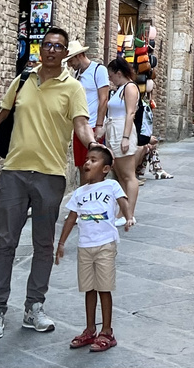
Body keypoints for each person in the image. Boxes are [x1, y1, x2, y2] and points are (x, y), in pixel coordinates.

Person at [0, 27, 94, 341]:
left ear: (65, 52)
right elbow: (1, 119)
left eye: (59, 46)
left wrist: (95, 147)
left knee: (43, 245)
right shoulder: (22, 81)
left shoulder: (73, 88)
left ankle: (34, 307)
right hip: (14, 171)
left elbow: (81, 125)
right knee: (5, 243)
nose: (52, 50)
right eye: (48, 45)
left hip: (50, 175)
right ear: (41, 49)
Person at [55, 144, 134, 351]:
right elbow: (71, 218)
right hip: (85, 246)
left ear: (106, 169)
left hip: (105, 245)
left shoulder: (111, 186)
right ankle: (90, 329)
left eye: (93, 160)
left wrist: (128, 217)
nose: (87, 163)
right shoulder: (79, 192)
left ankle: (107, 331)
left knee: (104, 288)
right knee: (89, 289)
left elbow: (123, 201)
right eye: (87, 159)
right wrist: (61, 243)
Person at [64, 41, 110, 183]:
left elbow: (104, 99)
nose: (70, 64)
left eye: (71, 60)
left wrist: (100, 125)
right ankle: (84, 196)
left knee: (94, 168)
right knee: (81, 166)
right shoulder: (77, 75)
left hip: (93, 125)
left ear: (79, 55)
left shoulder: (98, 70)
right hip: (80, 126)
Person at [105, 57, 141, 214]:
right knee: (119, 175)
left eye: (111, 75)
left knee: (128, 175)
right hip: (114, 129)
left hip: (122, 130)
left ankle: (129, 212)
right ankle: (122, 210)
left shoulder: (130, 87)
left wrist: (125, 137)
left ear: (118, 73)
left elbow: (130, 112)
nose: (110, 79)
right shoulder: (119, 89)